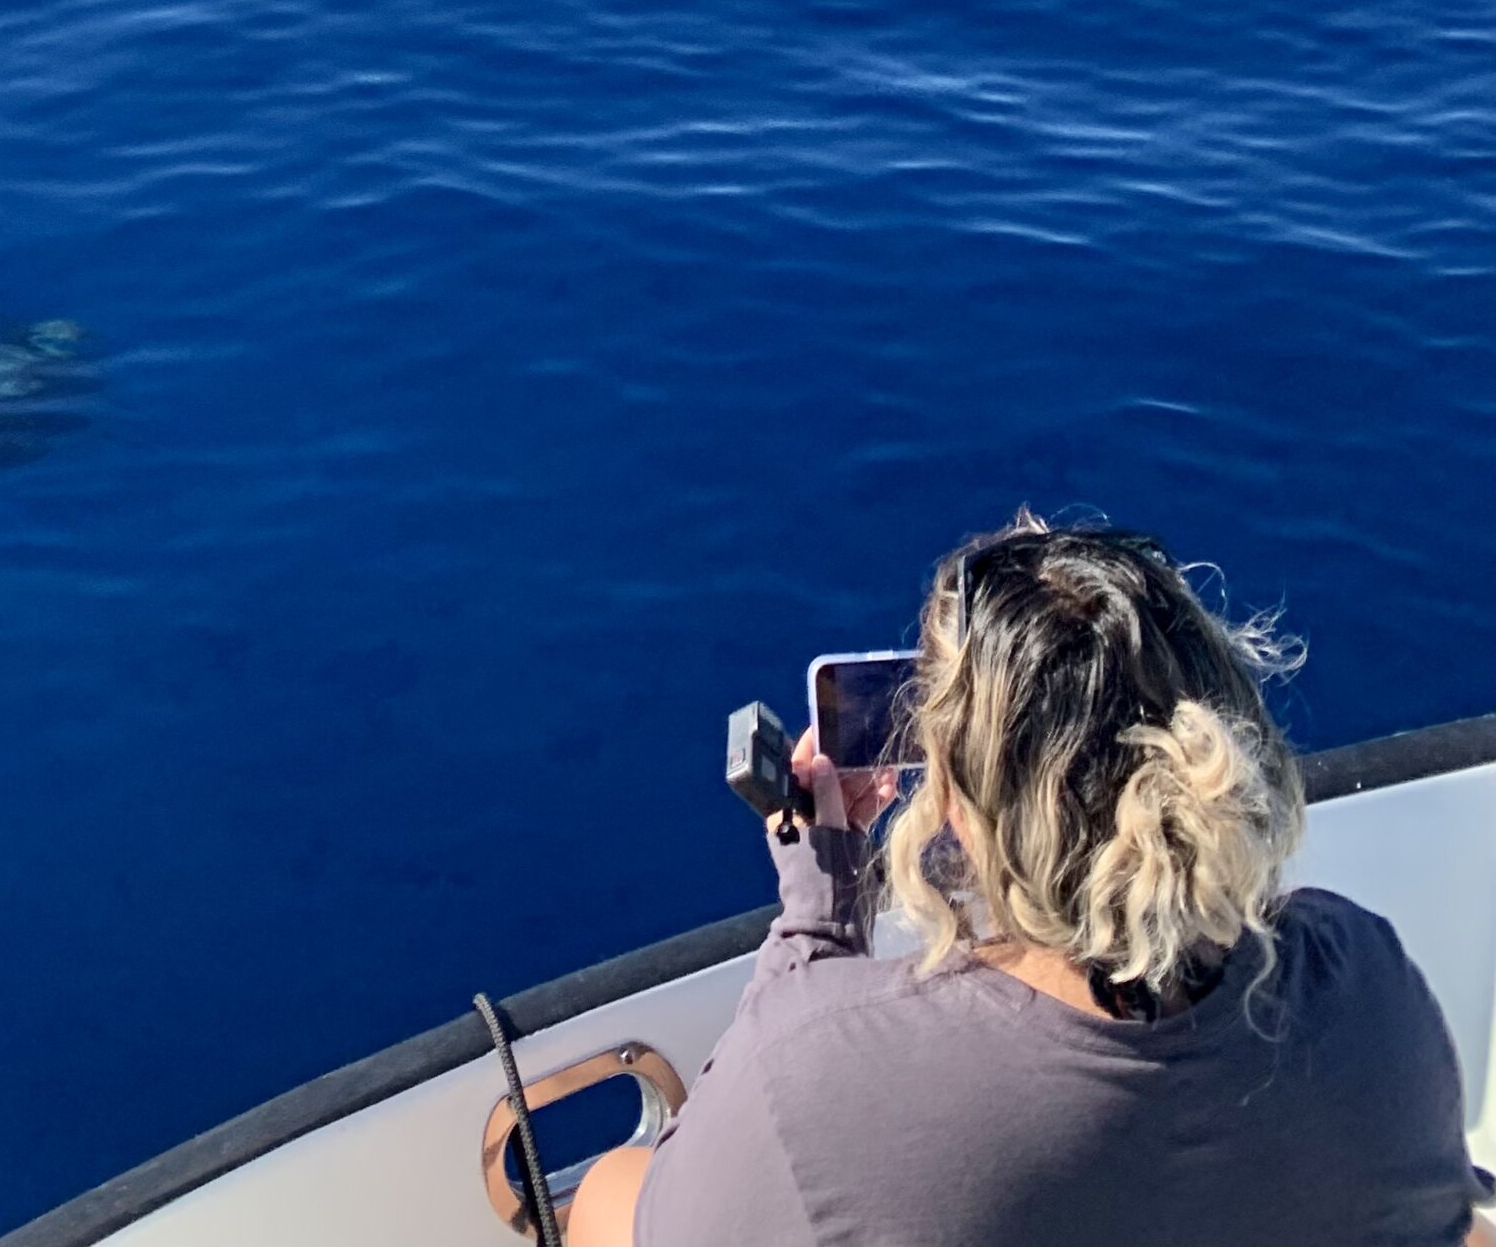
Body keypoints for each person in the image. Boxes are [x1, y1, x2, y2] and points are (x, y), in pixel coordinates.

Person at [570, 519, 1485, 1247]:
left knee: (608, 1195)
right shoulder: (1363, 984)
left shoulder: (818, 1076)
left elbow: (690, 1203)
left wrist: (818, 921)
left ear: (964, 811)